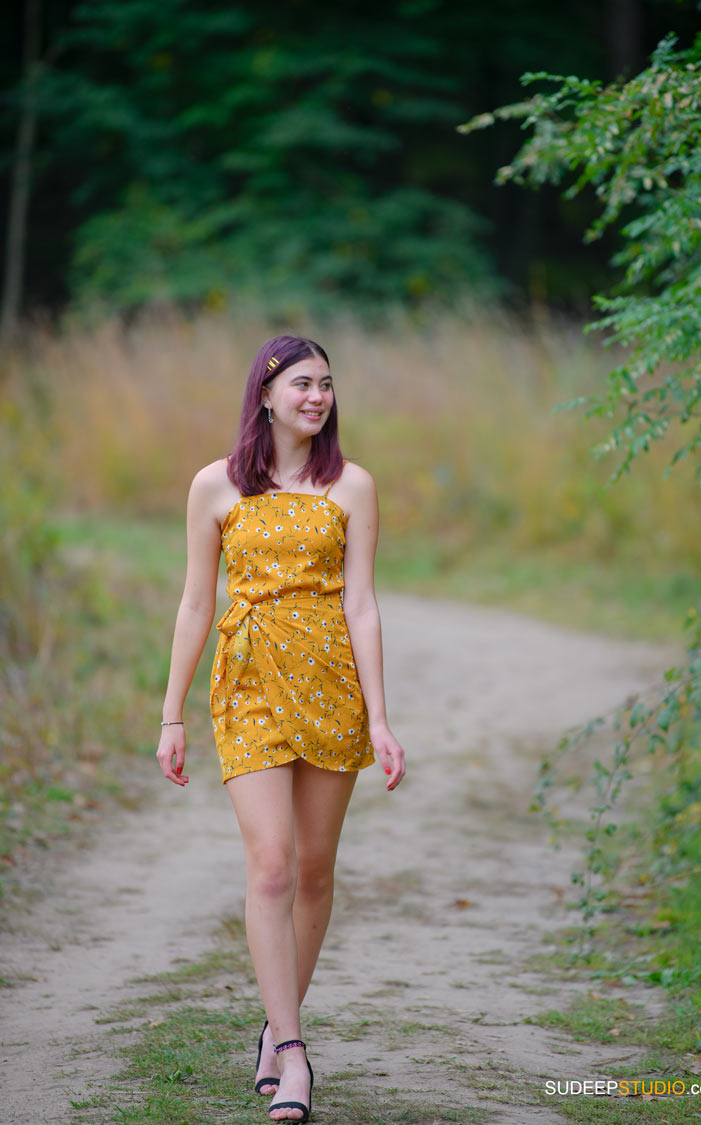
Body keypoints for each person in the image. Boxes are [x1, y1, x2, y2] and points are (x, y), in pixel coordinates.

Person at [156, 334, 406, 1123]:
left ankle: (274, 1025)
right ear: (265, 394)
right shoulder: (215, 486)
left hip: (331, 686)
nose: (317, 396)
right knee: (270, 867)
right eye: (302, 383)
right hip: (251, 684)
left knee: (316, 871)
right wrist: (172, 712)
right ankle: (295, 1053)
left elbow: (361, 603)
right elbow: (197, 602)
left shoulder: (353, 485)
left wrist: (381, 713)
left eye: (327, 385)